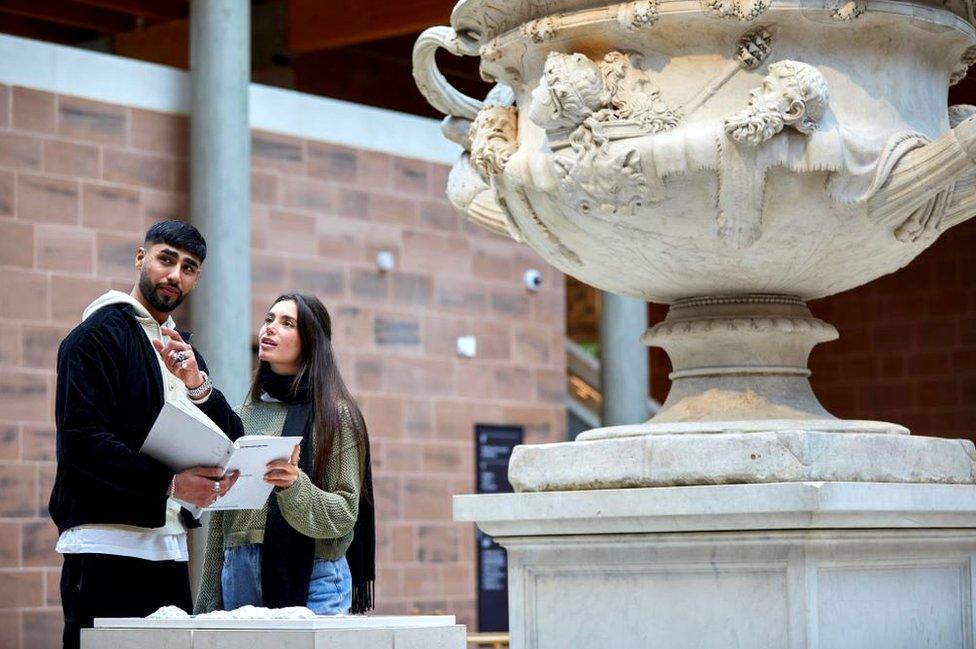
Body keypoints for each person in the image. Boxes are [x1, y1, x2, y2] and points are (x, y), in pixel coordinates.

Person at [51, 220, 244, 649]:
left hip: (171, 547)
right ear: (142, 258)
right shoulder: (94, 338)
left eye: (189, 267)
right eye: (166, 259)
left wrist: (197, 385)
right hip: (105, 543)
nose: (176, 275)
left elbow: (232, 438)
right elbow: (82, 442)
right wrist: (172, 483)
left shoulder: (182, 351)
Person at [195, 293, 375, 615]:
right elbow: (222, 519)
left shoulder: (336, 416)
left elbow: (346, 512)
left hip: (316, 573)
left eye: (286, 323)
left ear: (310, 341)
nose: (270, 328)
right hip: (239, 571)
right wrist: (208, 601)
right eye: (268, 319)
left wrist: (295, 486)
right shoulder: (242, 416)